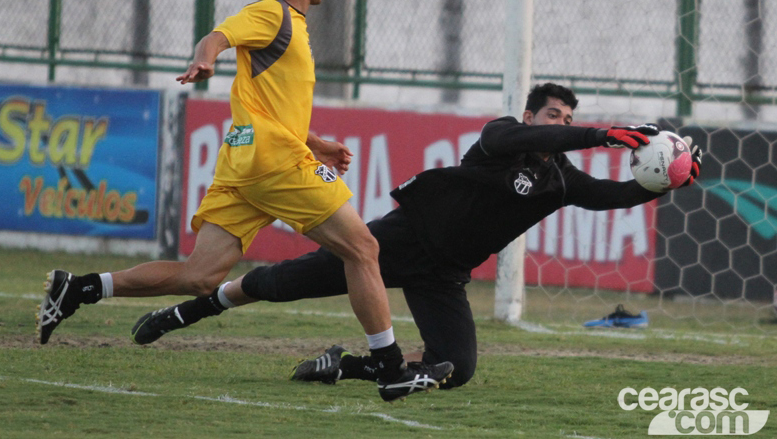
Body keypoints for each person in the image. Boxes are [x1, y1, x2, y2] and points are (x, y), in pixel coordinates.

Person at [35, 0, 453, 403]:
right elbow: (217, 36)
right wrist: (205, 60)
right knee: (363, 248)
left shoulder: (291, 25)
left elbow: (270, 105)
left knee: (200, 276)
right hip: (274, 163)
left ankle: (80, 289)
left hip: (246, 164)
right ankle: (391, 367)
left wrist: (315, 142)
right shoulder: (274, 14)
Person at [128, 83, 703, 390]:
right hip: (399, 241)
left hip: (444, 274)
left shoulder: (560, 180)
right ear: (530, 116)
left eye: (568, 118)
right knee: (281, 282)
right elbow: (532, 142)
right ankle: (188, 311)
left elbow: (613, 195)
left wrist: (667, 181)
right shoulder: (501, 135)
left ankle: (347, 367)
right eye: (553, 115)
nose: (561, 124)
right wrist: (602, 134)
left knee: (457, 367)